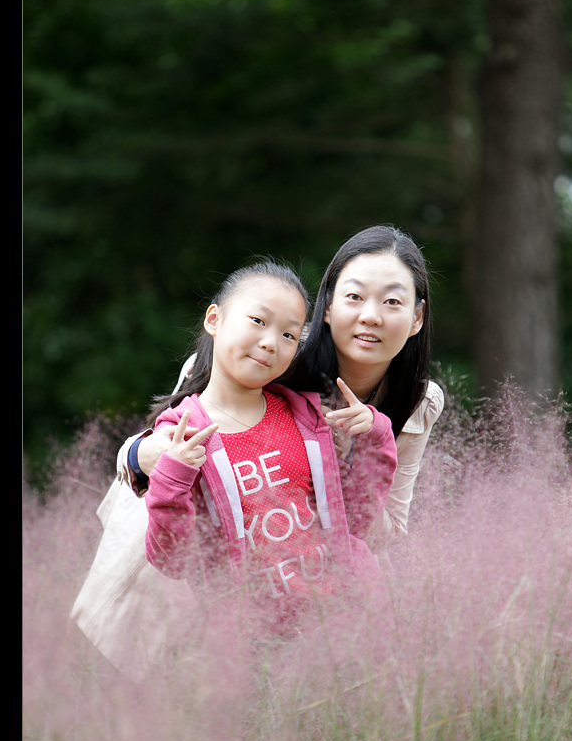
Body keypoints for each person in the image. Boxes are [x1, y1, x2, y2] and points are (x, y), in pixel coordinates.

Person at [128, 227, 444, 558]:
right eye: (354, 297)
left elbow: (388, 529)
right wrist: (140, 455)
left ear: (416, 317)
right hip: (168, 524)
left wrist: (353, 462)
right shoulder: (274, 354)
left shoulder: (421, 401)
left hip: (305, 565)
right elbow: (159, 441)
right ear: (327, 306)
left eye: (392, 302)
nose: (370, 316)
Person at [142, 260, 397, 634]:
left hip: (349, 624)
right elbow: (173, 560)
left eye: (289, 335)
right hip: (255, 642)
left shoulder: (308, 417)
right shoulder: (182, 433)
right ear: (214, 319)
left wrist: (376, 435)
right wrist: (171, 478)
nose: (270, 343)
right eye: (258, 321)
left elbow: (356, 517)